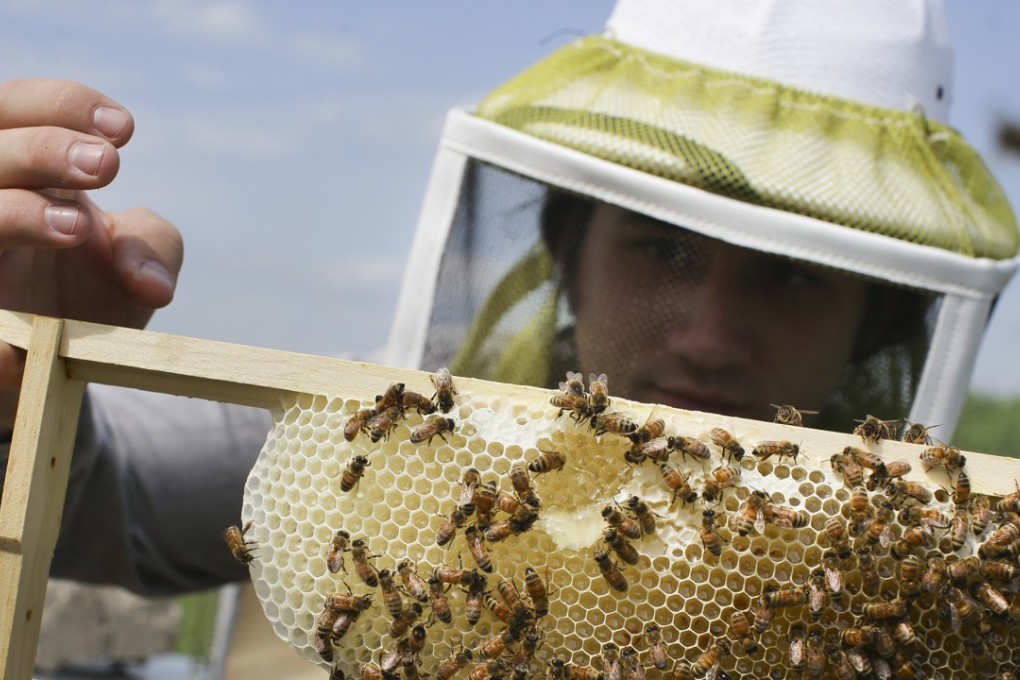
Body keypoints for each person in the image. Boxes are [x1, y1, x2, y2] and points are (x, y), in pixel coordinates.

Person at [0, 0, 1017, 601]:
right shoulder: (405, 443)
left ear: (881, 318)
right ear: (565, 253)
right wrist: (19, 370)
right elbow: (101, 497)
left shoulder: (948, 566)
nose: (707, 335)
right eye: (661, 249)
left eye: (789, 273)